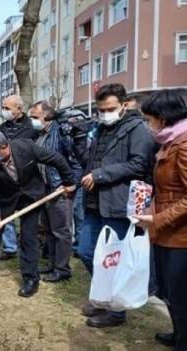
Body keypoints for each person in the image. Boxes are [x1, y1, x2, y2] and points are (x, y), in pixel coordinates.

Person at [75, 83, 155, 328]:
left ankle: (116, 310)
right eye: (101, 109)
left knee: (114, 258)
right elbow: (90, 158)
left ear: (124, 105)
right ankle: (102, 297)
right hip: (94, 202)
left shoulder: (137, 129)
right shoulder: (99, 129)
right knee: (87, 252)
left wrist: (100, 175)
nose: (105, 113)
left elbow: (139, 165)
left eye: (110, 108)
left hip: (118, 202)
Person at [0, 131, 76, 298]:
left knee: (28, 237)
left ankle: (31, 279)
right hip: (7, 197)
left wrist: (69, 182)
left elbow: (56, 159)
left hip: (31, 197)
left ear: (4, 147)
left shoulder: (26, 147)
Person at [133, 88, 187, 349]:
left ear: (163, 117)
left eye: (150, 118)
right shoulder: (170, 141)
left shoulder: (184, 144)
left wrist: (158, 219)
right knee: (169, 290)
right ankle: (178, 334)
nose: (149, 123)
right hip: (167, 230)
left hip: (181, 235)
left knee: (180, 292)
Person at [28, 101, 82, 283]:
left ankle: (62, 269)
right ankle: (52, 263)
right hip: (44, 190)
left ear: (47, 116)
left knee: (61, 231)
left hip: (60, 190)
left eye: (35, 117)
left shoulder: (61, 134)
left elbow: (76, 163)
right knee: (48, 230)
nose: (32, 120)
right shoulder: (38, 134)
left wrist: (71, 184)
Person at [0, 95, 39, 261]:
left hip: (26, 177)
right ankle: (9, 246)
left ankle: (28, 244)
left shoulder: (31, 128)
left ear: (19, 109)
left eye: (7, 108)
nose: (4, 111)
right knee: (5, 212)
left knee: (27, 215)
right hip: (6, 176)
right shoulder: (2, 128)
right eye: (3, 108)